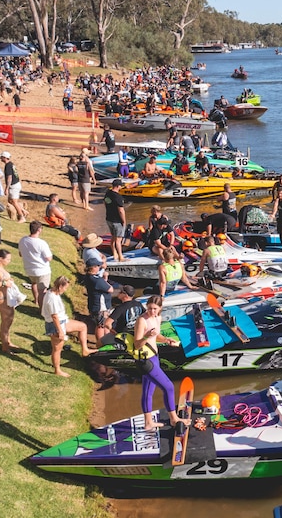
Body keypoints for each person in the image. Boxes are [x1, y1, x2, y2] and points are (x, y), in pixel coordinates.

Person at [135, 295, 187, 430]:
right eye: (149, 308)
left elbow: (156, 335)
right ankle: (174, 419)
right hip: (145, 359)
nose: (151, 311)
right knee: (168, 387)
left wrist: (166, 340)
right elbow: (137, 344)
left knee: (148, 391)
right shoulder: (142, 320)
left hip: (154, 356)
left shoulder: (158, 318)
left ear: (160, 309)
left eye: (154, 309)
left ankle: (148, 423)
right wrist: (147, 336)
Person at [42, 275, 96, 376]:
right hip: (55, 325)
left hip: (62, 321)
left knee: (82, 326)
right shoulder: (52, 298)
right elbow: (54, 317)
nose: (65, 290)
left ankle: (85, 350)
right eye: (65, 287)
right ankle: (57, 370)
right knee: (57, 349)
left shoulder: (53, 292)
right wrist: (60, 331)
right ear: (60, 286)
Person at [18, 221, 53, 308]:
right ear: (39, 230)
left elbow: (20, 254)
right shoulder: (41, 243)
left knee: (34, 283)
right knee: (42, 291)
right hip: (42, 271)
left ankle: (36, 300)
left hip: (29, 269)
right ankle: (42, 309)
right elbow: (49, 258)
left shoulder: (23, 240)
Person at [0, 151, 29, 221]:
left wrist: (6, 188)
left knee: (14, 202)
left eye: (1, 157)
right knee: (10, 201)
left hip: (13, 186)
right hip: (16, 184)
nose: (0, 158)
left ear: (5, 158)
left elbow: (9, 178)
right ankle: (23, 211)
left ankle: (21, 216)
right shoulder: (11, 164)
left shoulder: (8, 166)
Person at [84, 258, 113, 328]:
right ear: (93, 268)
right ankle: (101, 338)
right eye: (97, 266)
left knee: (100, 324)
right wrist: (106, 278)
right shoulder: (97, 281)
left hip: (93, 304)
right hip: (101, 308)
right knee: (101, 326)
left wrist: (104, 279)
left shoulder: (88, 277)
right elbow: (111, 289)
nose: (99, 267)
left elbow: (101, 285)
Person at [104, 180, 127, 262]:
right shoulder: (118, 197)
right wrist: (124, 221)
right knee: (118, 240)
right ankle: (121, 257)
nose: (121, 187)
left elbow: (105, 203)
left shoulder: (107, 193)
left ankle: (114, 254)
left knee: (113, 237)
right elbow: (121, 210)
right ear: (118, 186)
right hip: (117, 221)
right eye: (121, 186)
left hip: (109, 219)